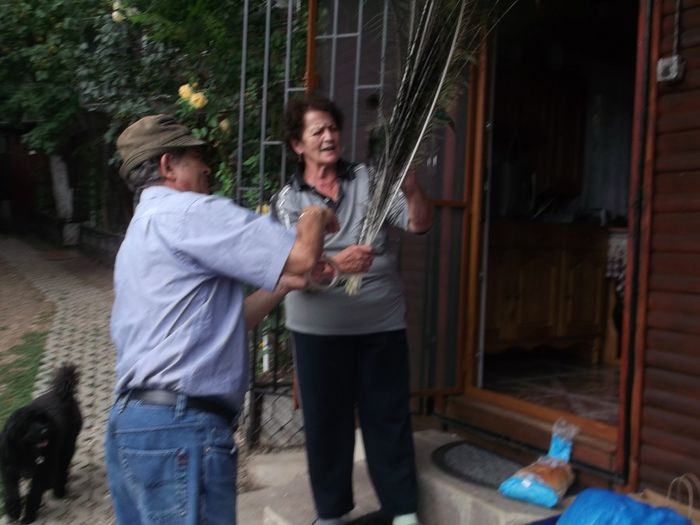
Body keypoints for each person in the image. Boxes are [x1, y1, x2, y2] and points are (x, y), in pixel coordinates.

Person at [105, 114, 338, 525]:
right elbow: (303, 256)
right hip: (180, 431)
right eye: (196, 159)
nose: (207, 168)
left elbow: (224, 322)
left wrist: (282, 287)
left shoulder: (141, 232)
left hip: (131, 429)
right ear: (167, 165)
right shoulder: (192, 212)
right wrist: (314, 216)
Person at [271, 95, 434, 525]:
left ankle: (402, 512)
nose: (329, 137)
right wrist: (335, 266)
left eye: (332, 128)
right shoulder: (288, 201)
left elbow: (418, 224)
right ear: (297, 145)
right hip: (317, 329)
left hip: (380, 322)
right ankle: (331, 514)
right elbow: (289, 269)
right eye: (317, 131)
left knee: (389, 416)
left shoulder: (370, 179)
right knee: (327, 423)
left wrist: (414, 190)